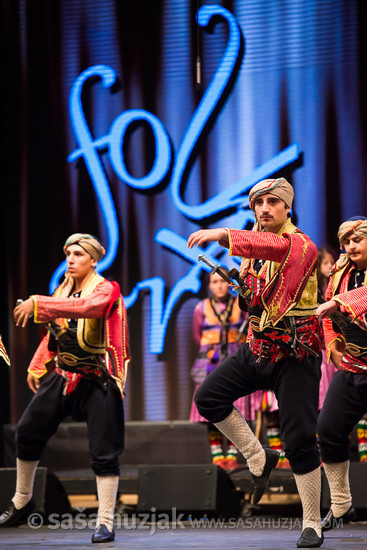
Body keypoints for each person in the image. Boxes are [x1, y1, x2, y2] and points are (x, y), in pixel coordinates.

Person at [188, 178, 324, 548]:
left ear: (287, 207)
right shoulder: (252, 249)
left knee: (298, 440)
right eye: (258, 202)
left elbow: (276, 248)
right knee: (208, 398)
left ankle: (312, 522)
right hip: (258, 349)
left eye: (272, 202)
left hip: (296, 356)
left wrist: (222, 234)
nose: (264, 209)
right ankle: (258, 455)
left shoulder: (302, 245)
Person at [0, 233, 130, 544]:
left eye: (78, 254)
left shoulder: (105, 289)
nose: (70, 259)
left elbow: (90, 308)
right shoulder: (63, 289)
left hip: (97, 377)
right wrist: (38, 362)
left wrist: (39, 303)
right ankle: (22, 499)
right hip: (64, 374)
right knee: (27, 432)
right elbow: (54, 332)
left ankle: (105, 521)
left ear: (93, 260)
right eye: (68, 253)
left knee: (104, 452)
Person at [316, 217, 367, 532]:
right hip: (351, 367)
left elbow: (337, 304)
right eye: (347, 242)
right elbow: (327, 315)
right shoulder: (340, 273)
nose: (351, 246)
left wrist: (337, 303)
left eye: (358, 240)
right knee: (329, 430)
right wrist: (332, 344)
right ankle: (340, 504)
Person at [189, 269, 255, 471]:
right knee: (211, 408)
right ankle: (218, 455)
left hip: (235, 358)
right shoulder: (201, 308)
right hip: (210, 360)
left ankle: (234, 454)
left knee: (237, 407)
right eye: (215, 281)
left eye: (223, 281)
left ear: (229, 284)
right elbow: (196, 334)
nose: (219, 285)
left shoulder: (239, 305)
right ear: (209, 285)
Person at [317, 247, 337, 411]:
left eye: (332, 262)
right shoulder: (315, 292)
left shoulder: (336, 289)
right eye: (325, 263)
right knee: (320, 400)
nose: (330, 266)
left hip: (333, 347)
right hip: (320, 350)